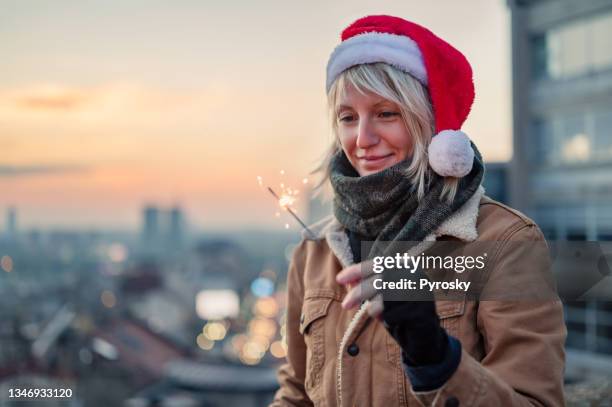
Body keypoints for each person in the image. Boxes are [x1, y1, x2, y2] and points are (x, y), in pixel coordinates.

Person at [270, 15, 566, 407]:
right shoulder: (315, 251)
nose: (362, 139)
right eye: (347, 118)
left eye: (386, 114)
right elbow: (296, 394)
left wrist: (437, 358)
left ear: (430, 126)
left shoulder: (506, 243)